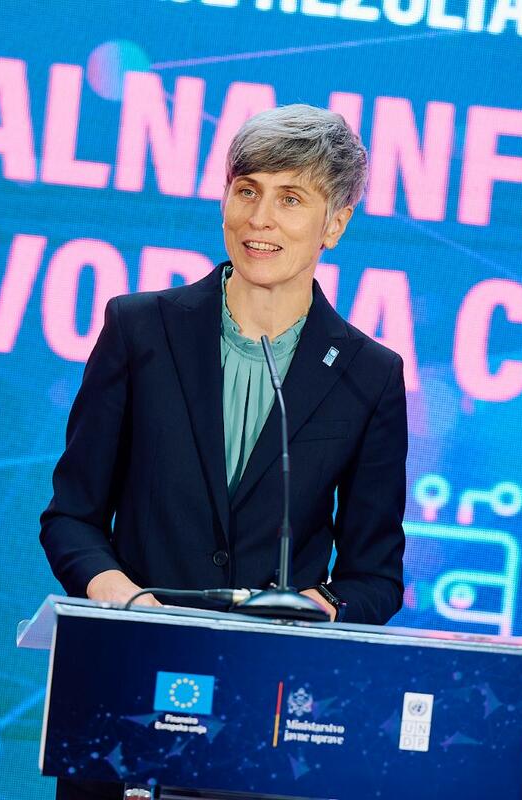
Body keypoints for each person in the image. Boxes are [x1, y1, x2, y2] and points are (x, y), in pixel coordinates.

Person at [39, 104, 408, 800]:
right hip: (127, 696)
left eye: (290, 198)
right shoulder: (140, 331)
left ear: (334, 224)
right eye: (247, 190)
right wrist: (130, 602)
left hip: (267, 723)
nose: (259, 218)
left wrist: (315, 608)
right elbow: (71, 519)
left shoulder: (369, 377)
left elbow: (375, 576)